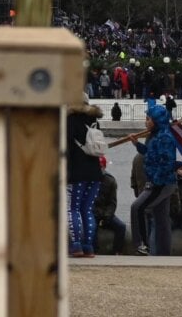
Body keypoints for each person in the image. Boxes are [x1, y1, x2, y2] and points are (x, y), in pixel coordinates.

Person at [130, 104, 177, 256]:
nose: (145, 122)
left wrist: (155, 182)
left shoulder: (164, 137)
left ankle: (142, 245)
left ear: (156, 120)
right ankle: (164, 253)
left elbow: (167, 162)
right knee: (161, 218)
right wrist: (137, 144)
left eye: (148, 119)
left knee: (137, 207)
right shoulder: (156, 135)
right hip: (163, 182)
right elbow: (150, 153)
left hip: (161, 182)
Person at [64, 101, 104, 258]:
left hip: (76, 171)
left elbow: (65, 147)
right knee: (87, 210)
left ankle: (76, 246)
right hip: (95, 172)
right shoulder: (94, 121)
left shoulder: (70, 120)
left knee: (72, 208)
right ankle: (89, 246)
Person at [93, 172, 129, 256]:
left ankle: (117, 251)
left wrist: (107, 215)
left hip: (106, 212)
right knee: (92, 226)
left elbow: (112, 202)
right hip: (93, 212)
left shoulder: (110, 180)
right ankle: (94, 250)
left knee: (121, 227)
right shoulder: (89, 179)